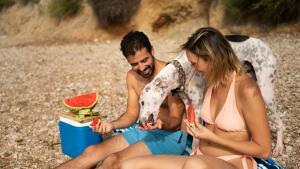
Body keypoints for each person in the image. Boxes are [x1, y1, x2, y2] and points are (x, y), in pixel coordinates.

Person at [120, 27, 272, 169]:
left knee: (195, 164)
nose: (192, 69)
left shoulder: (247, 90)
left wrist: (213, 137)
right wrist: (162, 123)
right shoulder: (210, 82)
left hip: (231, 162)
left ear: (211, 59)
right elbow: (190, 123)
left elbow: (264, 150)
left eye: (193, 63)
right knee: (130, 165)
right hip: (198, 157)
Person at [55, 31, 187, 169]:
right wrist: (112, 125)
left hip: (171, 135)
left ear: (152, 51)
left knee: (113, 161)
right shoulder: (132, 76)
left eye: (144, 60)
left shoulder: (171, 74)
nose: (141, 68)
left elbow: (175, 120)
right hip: (144, 130)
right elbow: (131, 114)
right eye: (135, 64)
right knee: (91, 152)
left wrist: (161, 123)